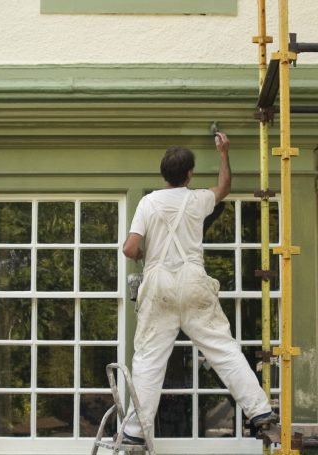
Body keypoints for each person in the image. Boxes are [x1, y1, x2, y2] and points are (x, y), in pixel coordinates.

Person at [121, 132, 277, 444]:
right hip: (193, 280)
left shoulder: (148, 203)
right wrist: (223, 153)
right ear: (189, 174)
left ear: (164, 173)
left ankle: (135, 432)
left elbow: (129, 248)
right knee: (222, 348)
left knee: (150, 358)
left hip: (158, 282)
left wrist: (143, 254)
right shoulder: (197, 199)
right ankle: (259, 411)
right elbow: (224, 188)